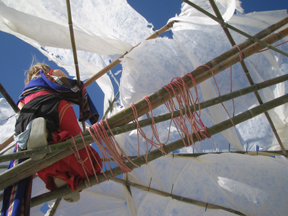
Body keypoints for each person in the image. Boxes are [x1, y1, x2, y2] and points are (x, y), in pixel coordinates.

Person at [1, 63, 102, 216]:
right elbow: (68, 86)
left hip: (26, 118)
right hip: (54, 105)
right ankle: (65, 176)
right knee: (77, 146)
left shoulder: (24, 94)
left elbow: (21, 109)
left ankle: (47, 140)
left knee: (41, 156)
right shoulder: (52, 73)